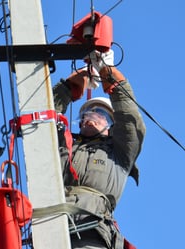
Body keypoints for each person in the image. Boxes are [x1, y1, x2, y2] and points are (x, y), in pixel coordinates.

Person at [52, 50, 146, 249]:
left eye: (101, 113)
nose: (92, 115)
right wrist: (71, 86)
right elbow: (42, 117)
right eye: (88, 111)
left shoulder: (119, 153)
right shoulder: (64, 147)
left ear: (111, 125)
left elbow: (130, 121)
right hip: (50, 228)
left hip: (91, 232)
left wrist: (107, 72)